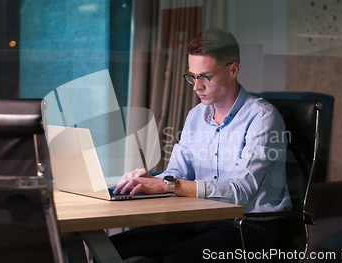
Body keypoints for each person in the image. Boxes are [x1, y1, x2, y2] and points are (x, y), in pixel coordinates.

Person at [111, 28, 291, 262]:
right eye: (192, 77)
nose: (196, 86)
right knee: (108, 250)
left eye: (205, 77)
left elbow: (240, 192)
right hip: (195, 218)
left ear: (233, 69)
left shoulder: (263, 117)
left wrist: (169, 186)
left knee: (171, 259)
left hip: (247, 227)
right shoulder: (196, 115)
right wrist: (155, 181)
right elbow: (177, 173)